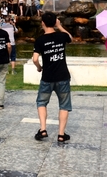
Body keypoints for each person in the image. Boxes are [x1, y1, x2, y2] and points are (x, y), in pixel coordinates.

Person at [33, 12, 73, 143]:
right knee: (64, 105)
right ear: (55, 22)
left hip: (47, 77)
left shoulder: (40, 40)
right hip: (63, 76)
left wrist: (39, 67)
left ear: (43, 23)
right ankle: (61, 134)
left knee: (41, 102)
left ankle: (43, 129)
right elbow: (70, 38)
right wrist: (60, 27)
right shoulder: (62, 36)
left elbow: (35, 59)